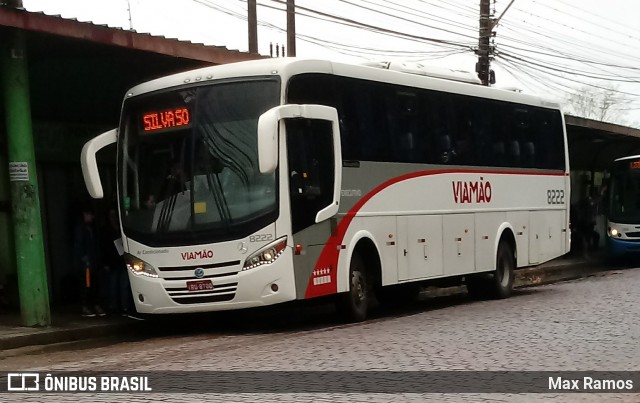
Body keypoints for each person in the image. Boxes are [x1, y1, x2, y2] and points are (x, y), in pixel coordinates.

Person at [73, 204, 106, 317]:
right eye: (90, 215)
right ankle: (86, 306)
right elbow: (79, 246)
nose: (92, 217)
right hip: (86, 263)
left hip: (92, 261)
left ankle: (93, 305)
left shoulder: (90, 228)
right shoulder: (81, 229)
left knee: (94, 284)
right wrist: (84, 258)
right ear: (85, 215)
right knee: (86, 285)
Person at [102, 207, 133, 316]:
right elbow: (104, 248)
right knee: (113, 285)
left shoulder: (121, 229)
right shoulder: (107, 230)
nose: (113, 218)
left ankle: (124, 307)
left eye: (115, 215)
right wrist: (105, 262)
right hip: (112, 262)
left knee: (123, 285)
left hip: (122, 261)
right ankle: (114, 307)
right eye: (111, 215)